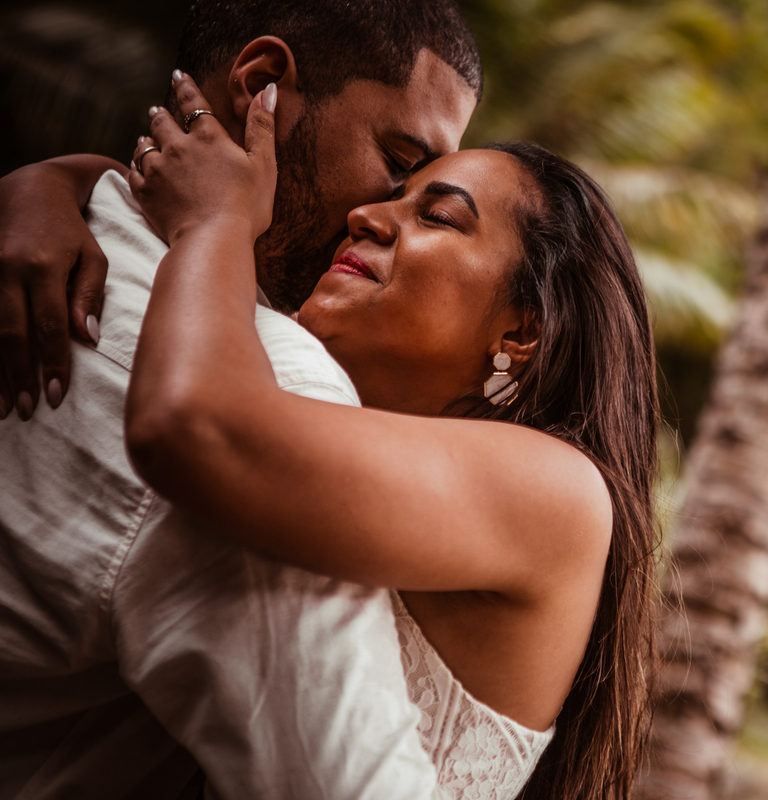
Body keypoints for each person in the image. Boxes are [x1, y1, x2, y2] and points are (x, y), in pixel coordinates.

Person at [122, 75, 659, 799]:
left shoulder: (561, 493)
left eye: (438, 216)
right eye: (393, 196)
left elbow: (191, 427)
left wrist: (213, 223)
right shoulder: (311, 405)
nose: (365, 216)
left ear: (522, 332)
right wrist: (55, 188)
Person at [0, 0, 482, 796]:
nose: (379, 216)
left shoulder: (64, 232)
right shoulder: (274, 388)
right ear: (261, 86)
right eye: (399, 162)